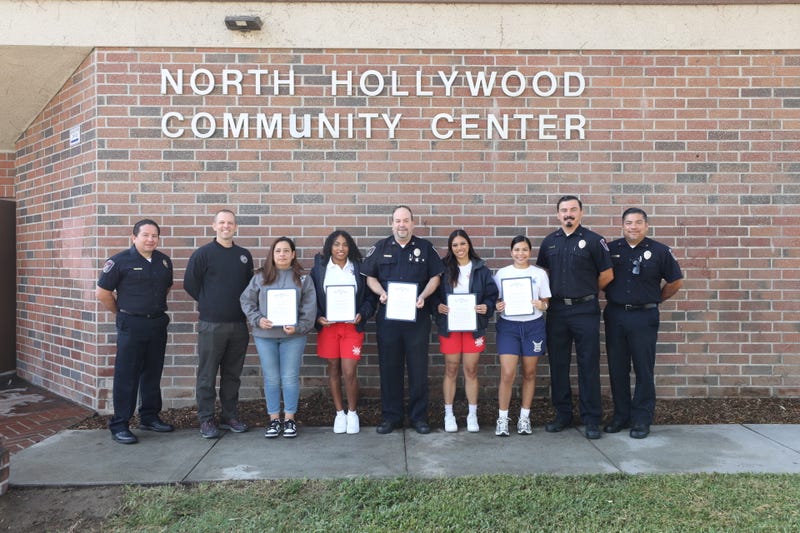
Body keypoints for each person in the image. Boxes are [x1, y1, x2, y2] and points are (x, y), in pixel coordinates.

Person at [536, 195, 614, 440]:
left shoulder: (594, 240)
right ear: (557, 214)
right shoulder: (549, 242)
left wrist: (587, 290)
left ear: (581, 212)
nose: (568, 214)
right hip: (557, 311)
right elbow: (543, 275)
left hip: (585, 311)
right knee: (558, 364)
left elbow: (607, 274)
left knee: (588, 364)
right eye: (563, 210)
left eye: (572, 209)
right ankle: (563, 415)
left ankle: (591, 419)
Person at [363, 205, 444, 435]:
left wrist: (423, 296)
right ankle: (391, 417)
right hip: (388, 320)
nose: (402, 225)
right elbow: (370, 277)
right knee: (389, 369)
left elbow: (435, 277)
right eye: (398, 221)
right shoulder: (381, 247)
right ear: (392, 224)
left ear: (413, 223)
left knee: (418, 369)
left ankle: (419, 418)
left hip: (417, 318)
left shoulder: (425, 248)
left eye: (406, 220)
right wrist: (381, 293)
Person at [603, 207, 683, 439]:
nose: (633, 227)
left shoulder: (659, 251)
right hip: (616, 315)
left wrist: (657, 299)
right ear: (622, 225)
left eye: (638, 222)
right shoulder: (611, 250)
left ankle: (641, 419)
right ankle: (621, 416)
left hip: (644, 317)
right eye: (629, 223)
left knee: (643, 369)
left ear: (646, 226)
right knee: (618, 369)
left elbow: (675, 281)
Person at [96, 219, 174, 444]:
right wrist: (121, 314)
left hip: (157, 324)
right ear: (134, 237)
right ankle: (120, 424)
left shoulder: (163, 261)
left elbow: (166, 287)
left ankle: (149, 417)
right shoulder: (119, 261)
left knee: (152, 372)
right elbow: (103, 293)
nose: (150, 239)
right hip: (131, 325)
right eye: (146, 235)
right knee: (126, 376)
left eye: (154, 236)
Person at [184, 209, 254, 439]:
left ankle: (229, 415)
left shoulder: (244, 255)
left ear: (235, 227)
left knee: (232, 375)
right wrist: (209, 302)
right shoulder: (203, 254)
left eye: (230, 223)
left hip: (238, 325)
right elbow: (190, 285)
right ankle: (206, 419)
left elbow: (248, 289)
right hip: (211, 325)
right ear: (214, 226)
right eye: (221, 222)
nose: (226, 226)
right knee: (207, 374)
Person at [240, 237, 316, 439]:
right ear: (272, 255)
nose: (281, 254)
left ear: (293, 254)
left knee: (290, 378)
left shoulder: (303, 279)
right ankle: (274, 419)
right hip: (265, 336)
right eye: (277, 251)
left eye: (285, 251)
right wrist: (258, 319)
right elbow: (246, 301)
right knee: (272, 378)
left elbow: (309, 308)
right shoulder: (260, 277)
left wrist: (299, 327)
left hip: (293, 336)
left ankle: (289, 418)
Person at [309, 230, 376, 434]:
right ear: (330, 246)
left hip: (351, 326)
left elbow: (370, 299)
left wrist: (362, 314)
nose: (340, 248)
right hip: (329, 327)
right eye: (336, 244)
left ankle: (353, 412)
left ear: (350, 247)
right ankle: (339, 413)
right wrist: (317, 317)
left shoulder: (358, 268)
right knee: (333, 369)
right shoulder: (319, 270)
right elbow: (311, 298)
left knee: (349, 371)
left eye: (345, 244)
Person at [432, 229, 498, 433]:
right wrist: (438, 306)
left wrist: (487, 307)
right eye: (455, 245)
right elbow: (433, 294)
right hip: (450, 328)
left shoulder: (481, 268)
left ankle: (472, 414)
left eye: (462, 244)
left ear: (468, 244)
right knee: (451, 369)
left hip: (473, 328)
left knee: (471, 370)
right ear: (450, 248)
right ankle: (449, 414)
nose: (459, 248)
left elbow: (491, 295)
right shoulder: (443, 269)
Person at [492, 235, 551, 436]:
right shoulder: (502, 274)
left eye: (524, 249)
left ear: (530, 251)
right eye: (517, 250)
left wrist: (542, 305)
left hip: (533, 327)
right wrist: (497, 306)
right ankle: (502, 418)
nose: (520, 254)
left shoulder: (539, 274)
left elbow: (546, 302)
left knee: (529, 373)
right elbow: (496, 301)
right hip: (509, 326)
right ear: (511, 252)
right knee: (508, 373)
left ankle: (524, 418)